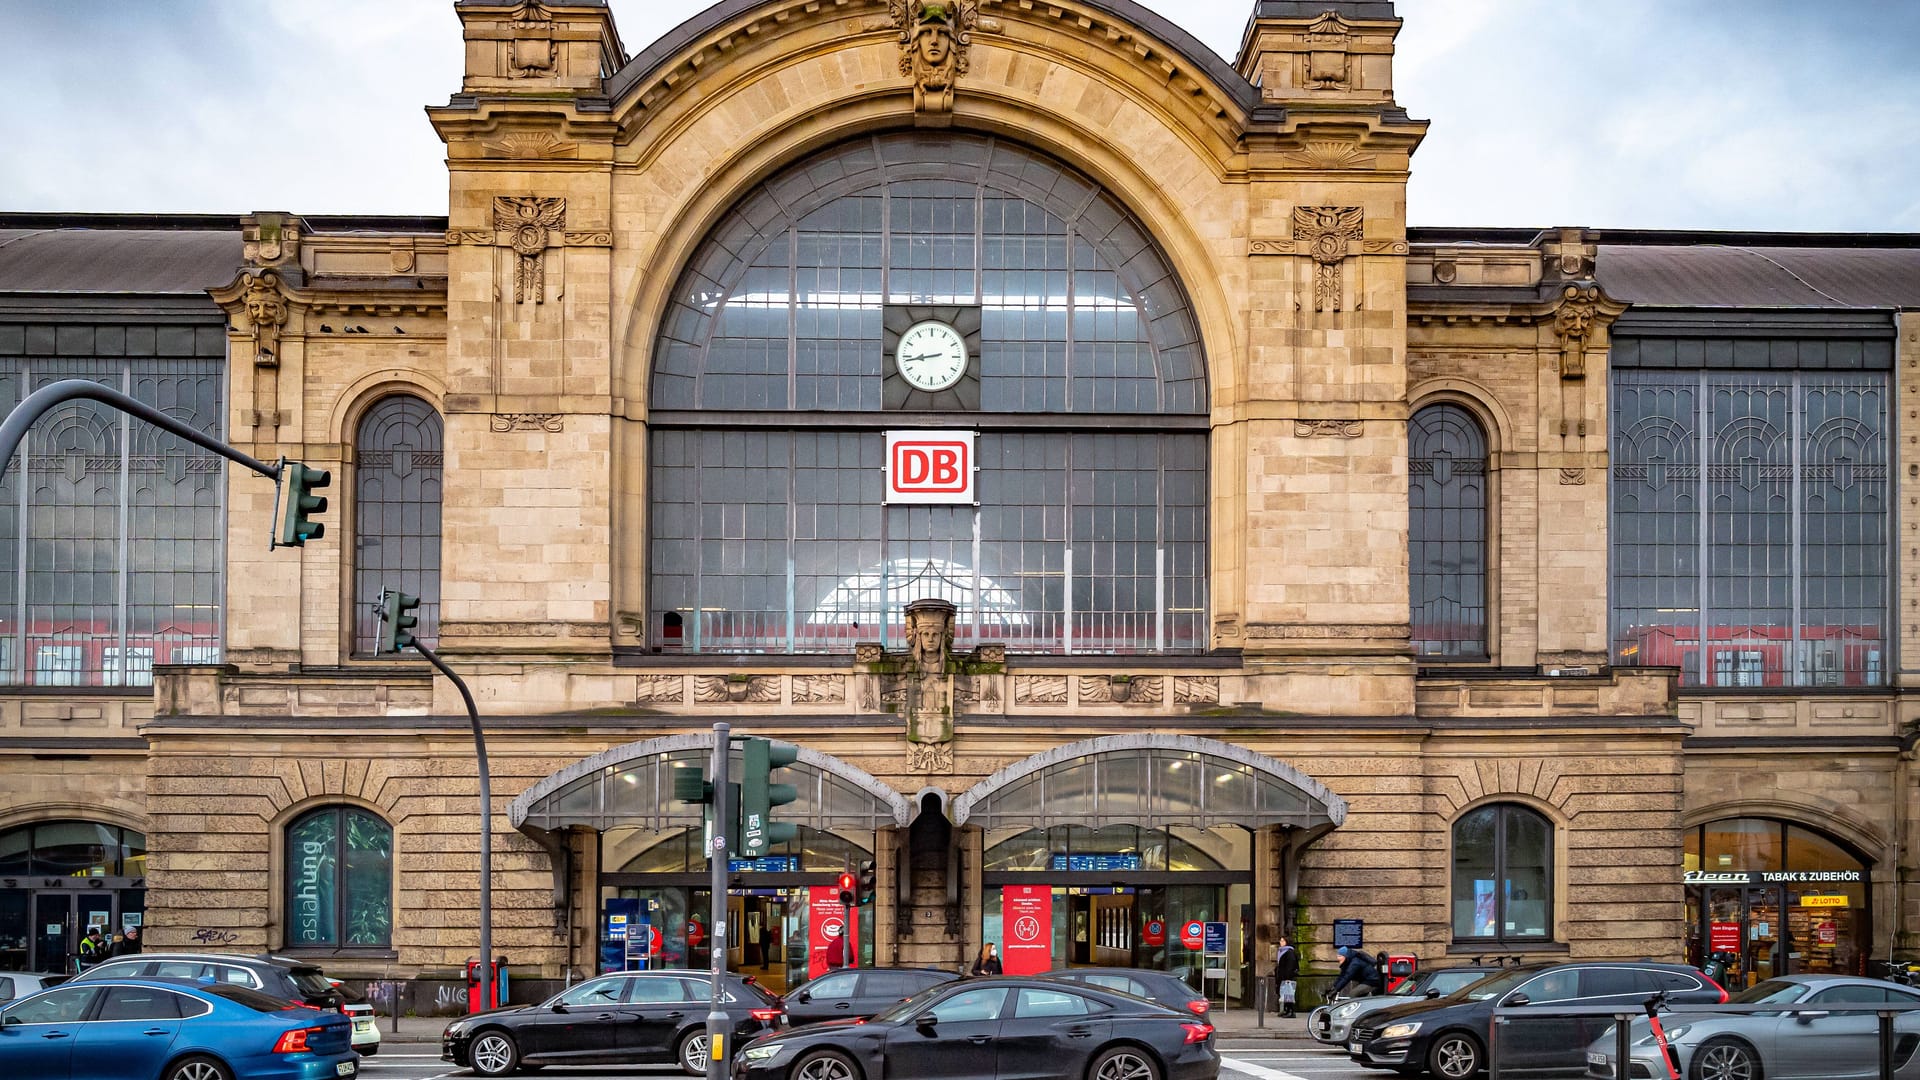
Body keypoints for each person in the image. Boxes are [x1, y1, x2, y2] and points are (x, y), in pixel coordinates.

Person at [1272, 934, 1300, 1018]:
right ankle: (1286, 1010)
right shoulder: (1282, 951)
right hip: (1282, 977)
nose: (1280, 942)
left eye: (1282, 940)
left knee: (1289, 995)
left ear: (1287, 942)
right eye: (1280, 940)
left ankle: (1291, 1011)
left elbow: (1290, 966)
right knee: (1284, 994)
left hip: (1288, 977)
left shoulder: (1289, 952)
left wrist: (1288, 977)